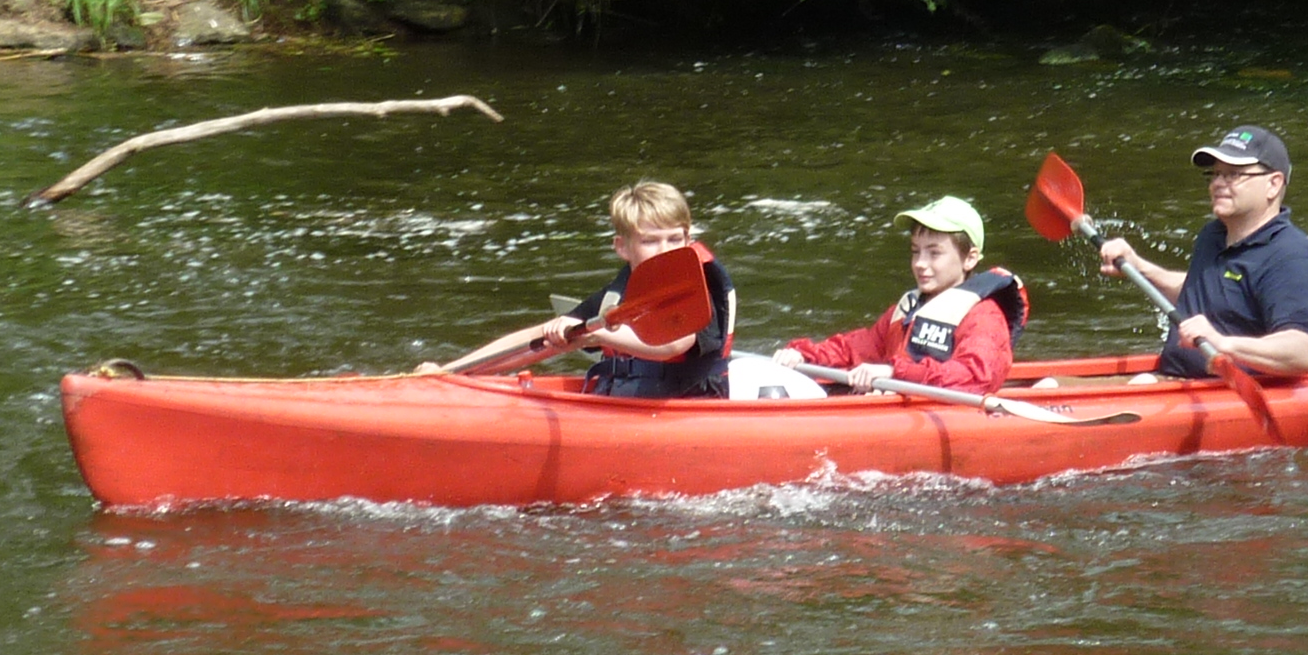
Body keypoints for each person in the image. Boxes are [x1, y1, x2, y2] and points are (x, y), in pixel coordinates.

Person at [432, 180, 735, 397]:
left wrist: (597, 334)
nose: (665, 250)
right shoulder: (617, 294)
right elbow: (535, 341)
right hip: (632, 403)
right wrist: (451, 371)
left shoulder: (698, 283)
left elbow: (673, 344)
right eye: (650, 241)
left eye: (675, 239)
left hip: (686, 407)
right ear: (622, 247)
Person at [1097, 125, 1308, 379]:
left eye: (1233, 175)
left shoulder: (1291, 257)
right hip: (1172, 382)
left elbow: (1302, 352)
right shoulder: (1213, 235)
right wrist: (1139, 266)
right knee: (1049, 384)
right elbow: (1205, 292)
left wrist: (1223, 343)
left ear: (1273, 184)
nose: (1217, 183)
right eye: (1215, 174)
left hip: (1223, 394)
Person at [773, 196, 1027, 393]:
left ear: (970, 259)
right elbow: (856, 348)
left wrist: (895, 372)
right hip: (900, 399)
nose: (920, 263)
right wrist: (805, 354)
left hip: (947, 409)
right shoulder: (908, 308)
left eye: (934, 253)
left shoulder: (984, 317)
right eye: (916, 251)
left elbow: (974, 377)